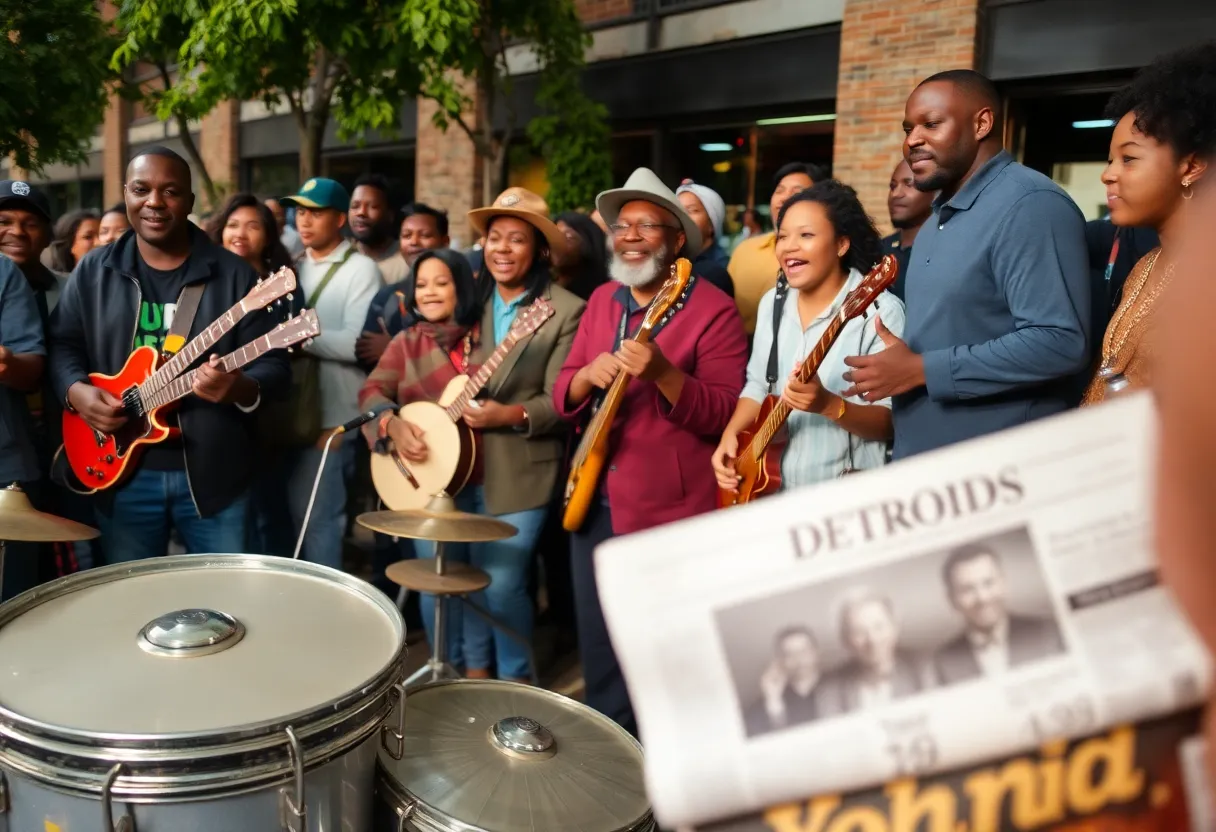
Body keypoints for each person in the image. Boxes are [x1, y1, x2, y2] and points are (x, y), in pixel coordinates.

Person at [554, 167, 748, 735]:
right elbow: (563, 386)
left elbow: (721, 410)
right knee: (601, 653)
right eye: (622, 226)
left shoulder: (711, 308)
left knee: (662, 657)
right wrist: (587, 374)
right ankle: (608, 775)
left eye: (647, 225)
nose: (631, 235)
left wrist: (663, 373)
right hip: (593, 499)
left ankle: (662, 782)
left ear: (678, 238)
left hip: (667, 512)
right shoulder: (601, 301)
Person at [367, 188, 585, 681]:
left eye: (516, 239)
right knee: (445, 581)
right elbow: (415, 349)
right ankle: (467, 675)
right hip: (445, 469)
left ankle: (515, 685)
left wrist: (506, 415)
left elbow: (563, 400)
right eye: (494, 237)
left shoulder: (569, 309)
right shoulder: (469, 293)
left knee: (503, 586)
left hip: (518, 472)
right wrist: (394, 421)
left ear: (541, 250)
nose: (502, 249)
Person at [49, 146, 290, 561]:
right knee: (132, 604)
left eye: (171, 191)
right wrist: (76, 392)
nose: (154, 202)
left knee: (225, 602)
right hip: (120, 470)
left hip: (215, 476)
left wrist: (237, 388)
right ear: (126, 194)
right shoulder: (95, 270)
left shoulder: (234, 275)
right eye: (141, 189)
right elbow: (62, 344)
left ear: (191, 202)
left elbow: (276, 367)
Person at [842, 70, 1090, 459]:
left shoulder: (1030, 205)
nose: (912, 140)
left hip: (995, 467)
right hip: (927, 457)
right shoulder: (938, 219)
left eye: (931, 124)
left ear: (982, 123)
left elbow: (1059, 342)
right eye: (908, 128)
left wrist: (922, 369)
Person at [714, 182, 905, 496]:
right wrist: (731, 434)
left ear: (841, 244)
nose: (788, 247)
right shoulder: (771, 304)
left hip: (844, 499)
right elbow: (759, 383)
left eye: (806, 235)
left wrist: (831, 405)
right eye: (782, 236)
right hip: (768, 492)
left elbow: (891, 422)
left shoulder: (881, 312)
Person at [1081, 44, 1212, 405]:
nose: (1108, 175)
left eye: (1129, 159)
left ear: (1191, 166)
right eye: (1110, 160)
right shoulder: (1145, 266)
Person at [279, 177, 382, 571]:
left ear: (340, 218)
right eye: (301, 211)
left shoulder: (361, 269)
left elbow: (354, 345)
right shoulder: (294, 265)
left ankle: (325, 616)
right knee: (291, 517)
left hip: (332, 419)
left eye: (316, 212)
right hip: (289, 415)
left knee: (321, 522)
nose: (305, 221)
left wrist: (291, 339)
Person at [933, 544, 1065, 684]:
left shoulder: (1048, 633)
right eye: (967, 590)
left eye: (988, 583)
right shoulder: (945, 660)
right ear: (952, 599)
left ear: (1003, 583)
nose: (982, 598)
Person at [729, 162, 823, 334]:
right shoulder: (744, 249)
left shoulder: (821, 254)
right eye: (779, 191)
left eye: (797, 192)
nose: (784, 198)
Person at [0, 255, 47, 597]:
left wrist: (7, 364)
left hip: (4, 468)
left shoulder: (3, 271)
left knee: (13, 605)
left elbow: (32, 369)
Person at [357, 203, 451, 371]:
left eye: (425, 235)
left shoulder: (458, 294)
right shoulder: (386, 298)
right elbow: (366, 354)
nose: (414, 242)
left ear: (445, 242)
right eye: (407, 235)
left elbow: (461, 355)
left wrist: (394, 348)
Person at [826, 588, 932, 712]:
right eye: (859, 632)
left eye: (879, 627)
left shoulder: (923, 669)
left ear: (895, 628)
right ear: (845, 641)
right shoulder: (832, 688)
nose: (872, 640)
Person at [745, 626, 834, 736]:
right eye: (789, 654)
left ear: (817, 652)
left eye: (804, 651)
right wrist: (773, 700)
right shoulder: (768, 702)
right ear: (780, 661)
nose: (799, 659)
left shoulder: (839, 685)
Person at [881, 159, 934, 301]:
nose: (896, 194)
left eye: (909, 184)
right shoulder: (877, 250)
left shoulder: (942, 251)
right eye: (893, 186)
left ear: (936, 194)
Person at [208, 193, 293, 278]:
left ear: (267, 237)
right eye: (233, 225)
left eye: (252, 227)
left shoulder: (284, 283)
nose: (240, 234)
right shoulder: (207, 281)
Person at [676, 180, 734, 297]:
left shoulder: (717, 273)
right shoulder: (672, 262)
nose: (682, 217)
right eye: (677, 210)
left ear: (711, 225)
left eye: (692, 210)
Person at [349, 173, 404, 282]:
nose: (361, 213)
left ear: (390, 215)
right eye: (355, 206)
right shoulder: (341, 258)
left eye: (372, 206)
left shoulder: (407, 261)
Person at [552, 211, 609, 301]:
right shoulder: (543, 290)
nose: (557, 243)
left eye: (568, 237)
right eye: (554, 236)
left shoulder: (603, 297)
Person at [47, 209, 100, 274]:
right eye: (88, 237)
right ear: (70, 245)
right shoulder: (60, 282)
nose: (100, 242)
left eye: (102, 234)